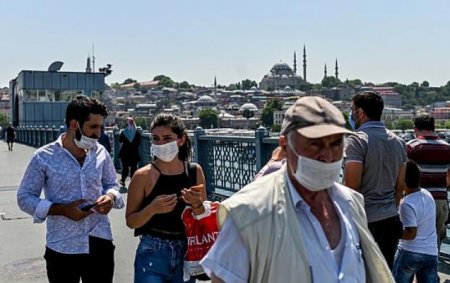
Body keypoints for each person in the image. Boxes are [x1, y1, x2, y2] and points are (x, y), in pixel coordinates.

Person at [201, 96, 394, 283]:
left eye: (336, 144)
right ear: (285, 146)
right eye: (314, 144)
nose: (327, 156)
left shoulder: (351, 203)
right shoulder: (249, 214)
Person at [17, 95, 124, 283]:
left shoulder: (101, 152)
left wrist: (110, 197)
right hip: (62, 247)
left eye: (101, 127)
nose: (99, 133)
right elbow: (25, 197)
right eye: (93, 127)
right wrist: (61, 210)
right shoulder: (43, 156)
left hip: (99, 241)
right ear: (74, 124)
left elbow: (112, 184)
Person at [125, 113, 207, 283]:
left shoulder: (194, 171)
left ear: (181, 140)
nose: (160, 143)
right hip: (152, 251)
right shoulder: (142, 176)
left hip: (186, 250)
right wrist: (152, 209)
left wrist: (197, 204)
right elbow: (131, 221)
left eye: (167, 138)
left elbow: (204, 218)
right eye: (156, 138)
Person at [344, 91, 406, 268]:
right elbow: (400, 186)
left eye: (352, 110)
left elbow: (351, 186)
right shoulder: (399, 142)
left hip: (365, 222)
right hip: (390, 219)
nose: (351, 114)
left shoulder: (357, 140)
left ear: (361, 113)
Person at [406, 113, 450, 252]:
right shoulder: (447, 147)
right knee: (434, 244)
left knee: (415, 244)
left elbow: (403, 175)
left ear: (415, 128)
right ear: (433, 127)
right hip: (441, 200)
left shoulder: (411, 147)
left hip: (418, 201)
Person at [393, 160, 438, 283]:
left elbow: (411, 233)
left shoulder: (406, 204)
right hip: (431, 252)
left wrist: (392, 232)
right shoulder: (427, 194)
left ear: (403, 181)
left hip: (410, 252)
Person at [118, 117, 141, 188]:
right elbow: (138, 142)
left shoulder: (123, 132)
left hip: (125, 153)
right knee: (134, 168)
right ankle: (133, 181)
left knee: (125, 167)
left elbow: (120, 140)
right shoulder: (137, 132)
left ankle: (123, 180)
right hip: (134, 153)